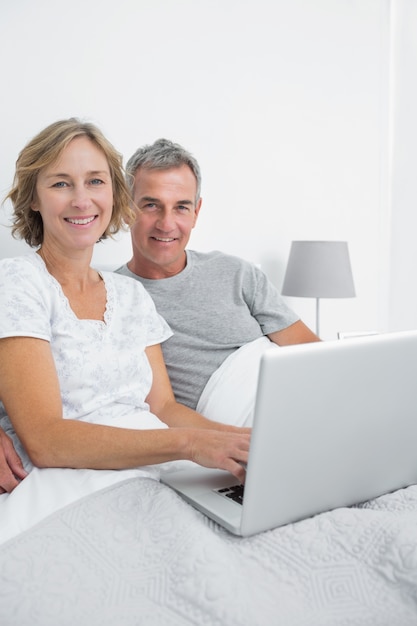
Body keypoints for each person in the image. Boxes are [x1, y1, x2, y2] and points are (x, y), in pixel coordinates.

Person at [0, 120, 250, 509]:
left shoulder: (130, 294)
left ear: (115, 194)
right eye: (61, 183)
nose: (82, 200)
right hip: (73, 483)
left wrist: (244, 442)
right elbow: (45, 440)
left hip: (158, 469)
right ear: (34, 197)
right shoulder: (19, 282)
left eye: (96, 181)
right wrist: (188, 444)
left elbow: (164, 407)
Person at [116, 138, 319, 420]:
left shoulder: (237, 273)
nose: (166, 223)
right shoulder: (112, 297)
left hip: (296, 403)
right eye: (151, 205)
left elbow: (311, 355)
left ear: (196, 212)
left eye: (181, 207)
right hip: (233, 431)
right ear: (126, 209)